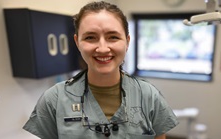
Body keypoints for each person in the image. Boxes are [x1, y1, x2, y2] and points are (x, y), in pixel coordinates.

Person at [23, 1, 179, 139]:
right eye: (90, 37)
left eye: (113, 37)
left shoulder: (149, 97)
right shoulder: (53, 100)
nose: (103, 48)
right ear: (77, 42)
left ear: (127, 41)